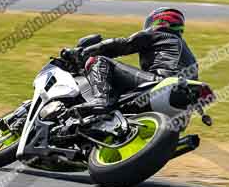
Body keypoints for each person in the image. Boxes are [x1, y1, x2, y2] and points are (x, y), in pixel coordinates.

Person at [70, 7, 198, 117]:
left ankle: (101, 99)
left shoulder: (161, 33)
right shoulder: (189, 54)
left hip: (162, 82)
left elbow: (121, 45)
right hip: (181, 105)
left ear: (159, 21)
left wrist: (84, 52)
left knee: (99, 60)